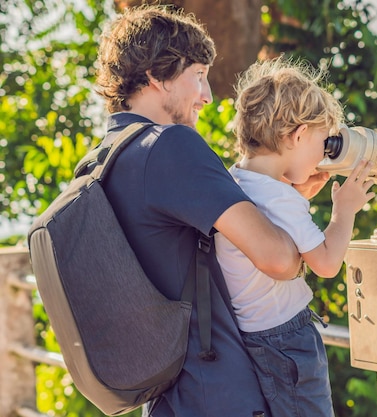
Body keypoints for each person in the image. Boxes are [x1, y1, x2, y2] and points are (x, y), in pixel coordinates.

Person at [94, 5, 309, 416]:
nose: (208, 96)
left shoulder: (104, 161)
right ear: (158, 76)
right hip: (222, 392)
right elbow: (279, 259)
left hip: (168, 399)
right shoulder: (169, 147)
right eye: (198, 76)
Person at [214, 57, 375, 417]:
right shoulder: (281, 198)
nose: (323, 156)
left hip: (250, 336)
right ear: (299, 135)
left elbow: (267, 219)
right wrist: (344, 210)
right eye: (323, 142)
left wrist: (299, 194)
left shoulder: (234, 180)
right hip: (287, 339)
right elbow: (328, 263)